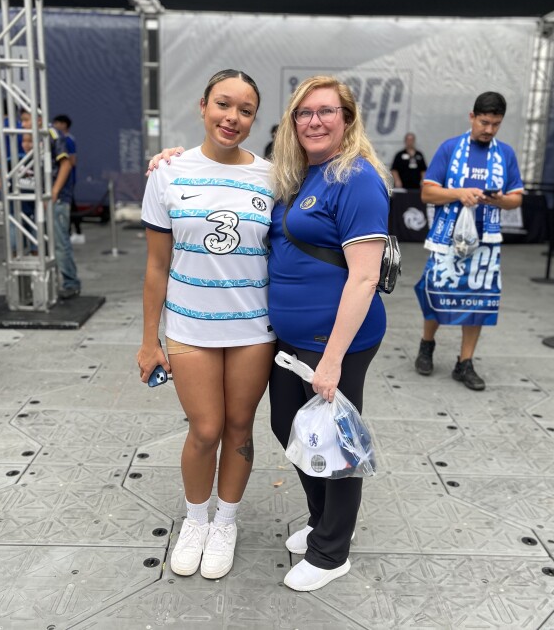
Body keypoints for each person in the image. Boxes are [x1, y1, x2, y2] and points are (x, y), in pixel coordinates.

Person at [137, 70, 275, 581]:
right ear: (202, 106)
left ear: (253, 119)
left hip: (253, 329)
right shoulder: (168, 173)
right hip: (189, 327)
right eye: (223, 104)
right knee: (205, 428)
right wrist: (149, 340)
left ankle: (227, 520)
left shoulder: (272, 176)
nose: (232, 118)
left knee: (239, 427)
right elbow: (156, 266)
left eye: (244, 110)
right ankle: (195, 519)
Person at [268, 76, 391, 591]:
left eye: (326, 112)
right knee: (288, 426)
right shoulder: (302, 175)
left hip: (336, 342)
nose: (313, 121)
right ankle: (323, 521)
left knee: (336, 443)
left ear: (347, 118)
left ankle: (331, 551)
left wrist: (334, 358)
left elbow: (364, 276)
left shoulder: (355, 176)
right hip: (292, 340)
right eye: (303, 113)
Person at [413, 91, 523, 392]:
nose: (489, 130)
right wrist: (459, 193)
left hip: (486, 241)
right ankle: (427, 344)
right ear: (472, 117)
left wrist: (500, 200)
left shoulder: (506, 154)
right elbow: (427, 193)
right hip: (447, 238)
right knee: (434, 291)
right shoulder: (449, 148)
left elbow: (516, 199)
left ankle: (465, 362)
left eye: (496, 124)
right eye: (484, 122)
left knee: (479, 300)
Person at [21, 110, 80, 299]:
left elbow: (66, 164)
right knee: (40, 242)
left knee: (60, 242)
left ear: (38, 118)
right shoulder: (33, 136)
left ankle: (71, 283)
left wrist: (54, 193)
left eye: (25, 119)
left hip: (58, 197)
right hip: (40, 198)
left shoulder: (52, 134)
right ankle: (45, 283)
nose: (22, 124)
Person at [52, 114, 83, 245]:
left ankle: (77, 232)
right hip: (64, 181)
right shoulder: (63, 138)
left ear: (64, 125)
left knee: (70, 207)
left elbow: (72, 161)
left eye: (58, 123)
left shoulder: (67, 140)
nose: (55, 125)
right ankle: (73, 232)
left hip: (67, 181)